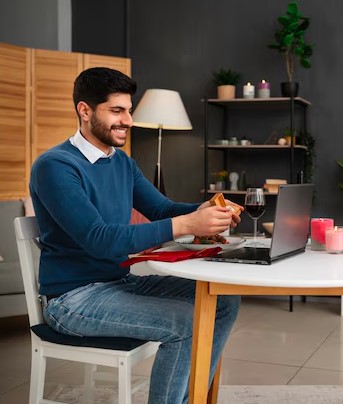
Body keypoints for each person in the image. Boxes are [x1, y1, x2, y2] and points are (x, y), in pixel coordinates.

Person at [29, 67, 242, 404]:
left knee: (223, 300)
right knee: (186, 322)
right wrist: (188, 225)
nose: (128, 120)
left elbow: (161, 208)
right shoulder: (55, 166)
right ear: (84, 111)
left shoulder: (122, 163)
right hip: (72, 299)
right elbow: (98, 238)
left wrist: (206, 209)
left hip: (120, 283)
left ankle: (192, 399)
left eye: (128, 110)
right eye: (116, 110)